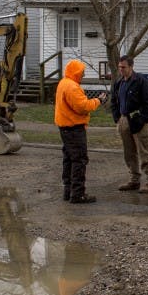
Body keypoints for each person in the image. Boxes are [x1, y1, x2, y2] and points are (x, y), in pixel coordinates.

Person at [54, 59, 107, 204]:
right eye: (82, 72)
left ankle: (68, 190)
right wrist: (98, 101)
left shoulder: (63, 83)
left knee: (69, 158)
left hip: (64, 127)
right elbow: (83, 106)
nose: (83, 75)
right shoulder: (72, 87)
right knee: (79, 160)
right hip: (74, 128)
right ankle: (78, 193)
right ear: (76, 72)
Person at [111, 55, 148, 193]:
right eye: (119, 67)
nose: (121, 70)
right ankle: (134, 179)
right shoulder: (119, 83)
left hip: (139, 121)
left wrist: (143, 119)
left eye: (123, 67)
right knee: (129, 152)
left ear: (131, 66)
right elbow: (114, 101)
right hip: (124, 120)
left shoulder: (141, 81)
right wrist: (117, 118)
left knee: (144, 152)